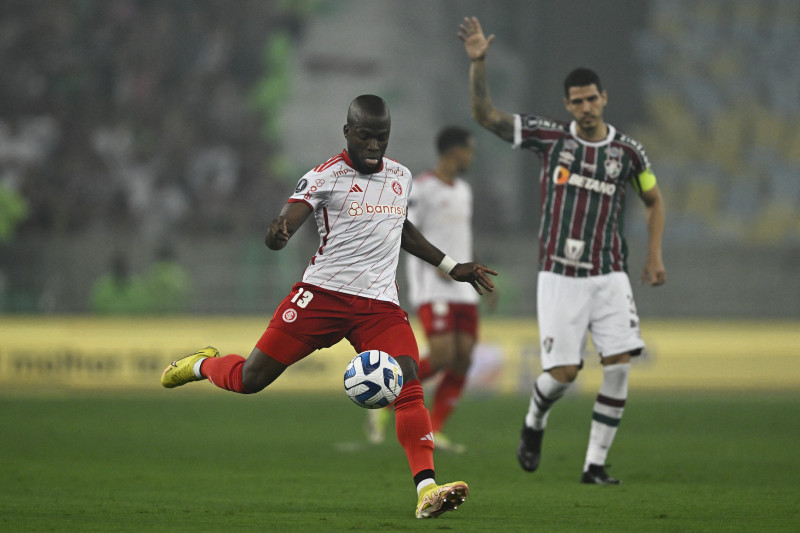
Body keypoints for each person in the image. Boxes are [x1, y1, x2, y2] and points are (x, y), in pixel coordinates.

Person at [160, 95, 497, 518]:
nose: (375, 145)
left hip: (379, 305)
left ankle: (426, 488)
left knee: (408, 379)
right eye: (366, 136)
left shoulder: (401, 176)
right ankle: (201, 364)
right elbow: (290, 217)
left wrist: (451, 266)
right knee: (250, 379)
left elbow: (402, 228)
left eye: (382, 137)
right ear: (347, 132)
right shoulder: (325, 177)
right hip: (322, 296)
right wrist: (277, 234)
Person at [458, 17, 666, 484]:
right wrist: (479, 65)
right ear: (567, 105)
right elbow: (485, 116)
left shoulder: (629, 154)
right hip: (560, 275)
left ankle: (594, 465)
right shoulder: (551, 140)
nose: (587, 107)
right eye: (578, 101)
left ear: (604, 97)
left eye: (593, 98)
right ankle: (534, 420)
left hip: (610, 273)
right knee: (565, 373)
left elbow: (653, 199)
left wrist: (654, 255)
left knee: (618, 365)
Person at [366, 126, 495, 452]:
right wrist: (440, 267)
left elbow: (462, 240)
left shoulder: (464, 190)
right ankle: (387, 401)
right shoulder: (421, 189)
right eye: (470, 150)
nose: (472, 156)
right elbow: (404, 232)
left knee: (464, 358)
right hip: (433, 286)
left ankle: (435, 428)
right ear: (455, 151)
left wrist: (476, 271)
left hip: (463, 287)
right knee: (442, 356)